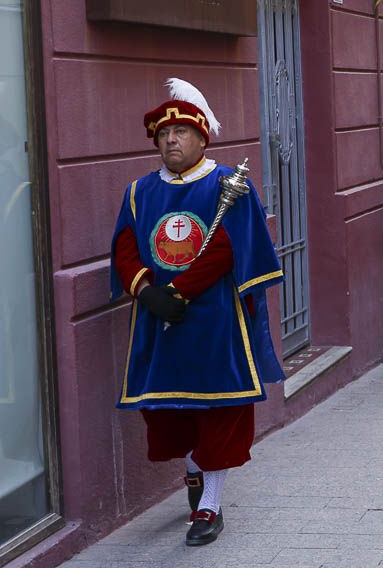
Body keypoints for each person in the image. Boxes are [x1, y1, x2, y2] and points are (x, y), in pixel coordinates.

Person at [109, 79, 284, 546]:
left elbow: (228, 245)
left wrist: (180, 291)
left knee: (219, 409)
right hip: (158, 320)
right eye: (163, 135)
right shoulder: (139, 192)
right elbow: (126, 245)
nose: (171, 141)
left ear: (202, 137)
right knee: (169, 411)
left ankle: (210, 504)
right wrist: (147, 292)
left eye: (181, 132)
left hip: (214, 319)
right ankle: (193, 471)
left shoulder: (229, 185)